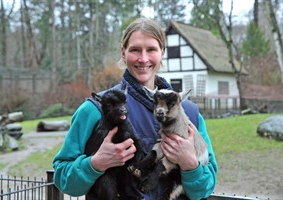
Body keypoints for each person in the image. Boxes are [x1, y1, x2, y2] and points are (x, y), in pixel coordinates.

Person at [52, 17, 218, 200]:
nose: (143, 59)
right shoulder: (94, 109)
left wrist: (190, 165)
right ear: (123, 53)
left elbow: (204, 190)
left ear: (162, 52)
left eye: (152, 50)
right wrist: (95, 163)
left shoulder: (190, 113)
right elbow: (63, 180)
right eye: (135, 50)